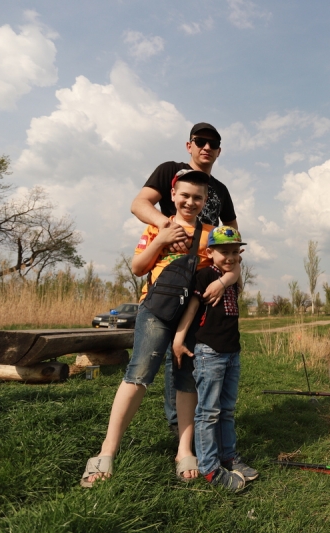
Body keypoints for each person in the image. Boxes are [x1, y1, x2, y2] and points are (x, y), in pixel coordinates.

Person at [80, 170, 239, 487]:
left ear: (205, 201)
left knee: (186, 379)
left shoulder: (209, 233)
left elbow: (233, 262)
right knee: (138, 373)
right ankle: (106, 451)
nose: (190, 202)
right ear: (173, 195)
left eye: (197, 197)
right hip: (155, 310)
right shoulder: (157, 227)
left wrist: (224, 280)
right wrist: (162, 240)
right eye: (185, 195)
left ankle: (184, 451)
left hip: (190, 317)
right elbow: (138, 268)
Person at [130, 122, 238, 437]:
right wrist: (169, 228)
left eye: (213, 144)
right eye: (200, 141)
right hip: (169, 279)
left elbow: (231, 231)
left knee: (192, 352)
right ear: (189, 145)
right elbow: (139, 204)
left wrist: (228, 272)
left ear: (219, 151)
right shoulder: (170, 171)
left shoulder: (221, 189)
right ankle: (179, 425)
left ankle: (201, 424)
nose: (207, 147)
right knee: (163, 357)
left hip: (205, 276)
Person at [172, 226, 257, 492]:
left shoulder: (232, 278)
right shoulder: (205, 274)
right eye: (223, 251)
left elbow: (235, 271)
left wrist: (230, 275)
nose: (229, 257)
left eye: (234, 252)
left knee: (227, 410)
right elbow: (193, 308)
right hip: (209, 352)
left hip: (232, 352)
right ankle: (210, 468)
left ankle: (228, 457)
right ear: (210, 252)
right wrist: (179, 338)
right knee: (208, 412)